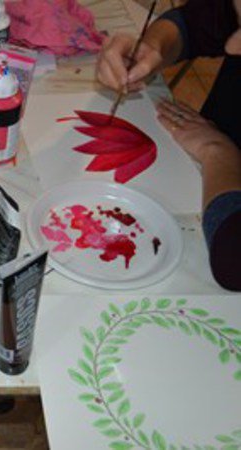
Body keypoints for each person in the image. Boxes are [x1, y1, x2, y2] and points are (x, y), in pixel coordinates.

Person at [96, 0, 241, 291]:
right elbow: (199, 21)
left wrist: (220, 153)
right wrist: (153, 49)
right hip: (193, 175)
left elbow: (233, 260)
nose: (233, 45)